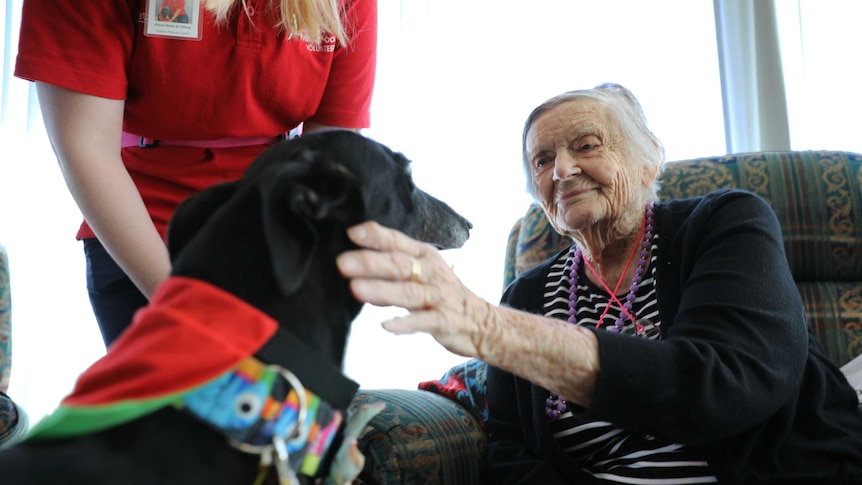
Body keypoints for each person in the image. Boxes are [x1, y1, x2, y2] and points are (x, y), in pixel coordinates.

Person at [335, 83, 862, 483]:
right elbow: (510, 451)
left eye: (586, 146)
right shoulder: (526, 296)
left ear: (648, 156)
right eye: (542, 160)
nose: (562, 170)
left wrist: (490, 329)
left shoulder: (726, 224)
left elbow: (718, 384)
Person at [14, 0, 377, 346]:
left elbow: (331, 154)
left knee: (289, 404)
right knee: (177, 400)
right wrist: (183, 309)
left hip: (279, 229)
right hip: (140, 229)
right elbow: (87, 148)